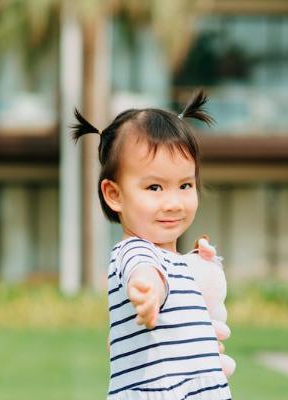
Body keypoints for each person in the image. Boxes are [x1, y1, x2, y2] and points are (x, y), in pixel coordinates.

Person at [72, 90, 232, 399]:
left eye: (185, 185)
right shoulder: (135, 251)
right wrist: (146, 293)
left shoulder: (177, 263)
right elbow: (145, 274)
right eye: (154, 187)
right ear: (114, 194)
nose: (173, 202)